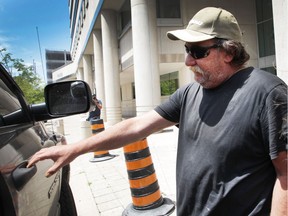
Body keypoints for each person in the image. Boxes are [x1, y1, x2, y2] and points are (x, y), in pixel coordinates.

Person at [28, 7, 287, 215]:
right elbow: (136, 126)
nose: (188, 61)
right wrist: (75, 149)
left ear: (229, 52)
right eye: (187, 50)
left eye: (198, 51)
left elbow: (285, 175)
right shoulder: (189, 93)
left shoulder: (267, 92)